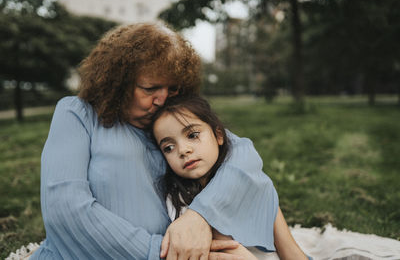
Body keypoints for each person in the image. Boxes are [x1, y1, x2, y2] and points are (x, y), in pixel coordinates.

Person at [29, 23, 283, 260]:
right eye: (150, 89)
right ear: (118, 83)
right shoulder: (77, 113)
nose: (162, 99)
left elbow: (242, 153)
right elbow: (65, 209)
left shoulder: (167, 124)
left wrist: (199, 215)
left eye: (171, 89)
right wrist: (158, 253)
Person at [151, 95, 309, 260]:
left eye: (192, 135)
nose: (183, 150)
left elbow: (291, 252)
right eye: (169, 147)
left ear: (219, 136)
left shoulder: (251, 184)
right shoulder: (177, 199)